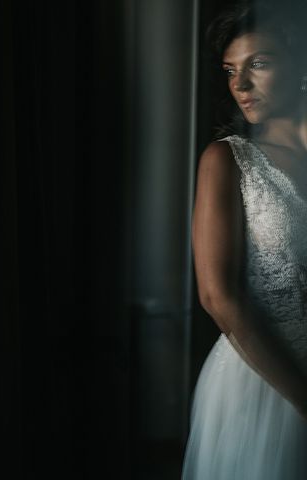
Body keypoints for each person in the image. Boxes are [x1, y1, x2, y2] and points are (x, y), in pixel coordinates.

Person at [182, 1, 307, 478]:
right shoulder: (227, 160)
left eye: (259, 63)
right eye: (231, 70)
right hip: (263, 382)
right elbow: (217, 296)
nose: (240, 84)